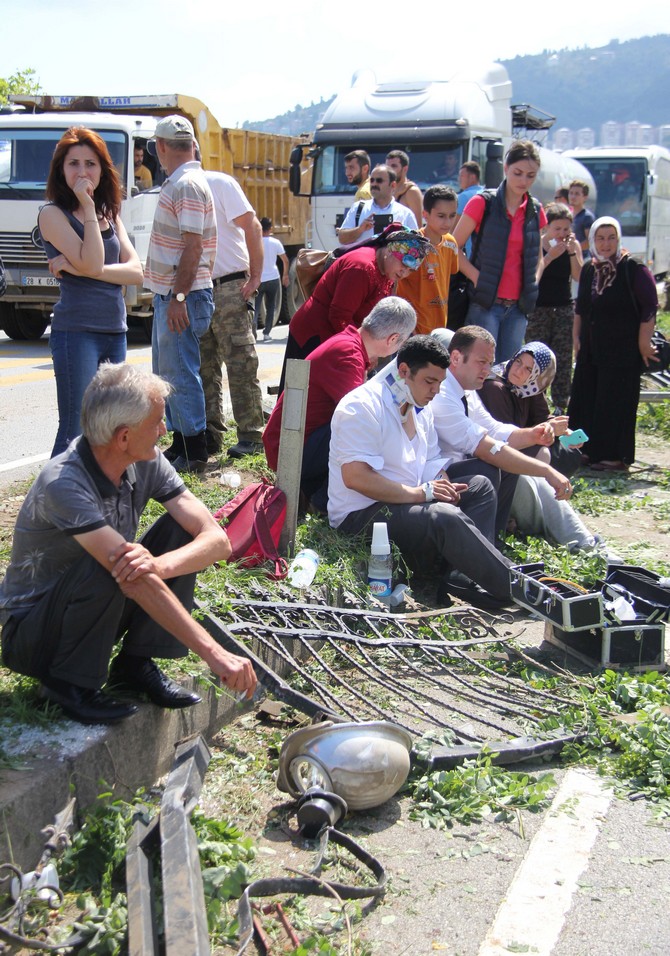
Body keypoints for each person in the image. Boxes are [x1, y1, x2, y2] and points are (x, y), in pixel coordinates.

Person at [0, 364, 256, 725]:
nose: (164, 430)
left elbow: (216, 540)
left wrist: (161, 565)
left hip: (91, 609)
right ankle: (64, 684)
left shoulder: (145, 459)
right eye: (157, 422)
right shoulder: (65, 483)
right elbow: (131, 576)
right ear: (123, 437)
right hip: (35, 635)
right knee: (117, 562)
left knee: (179, 534)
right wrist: (216, 654)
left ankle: (134, 664)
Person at [328, 335, 513, 610]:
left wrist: (442, 484)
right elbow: (356, 477)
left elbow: (431, 459)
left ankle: (463, 578)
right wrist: (422, 494)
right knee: (444, 516)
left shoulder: (419, 402)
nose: (436, 390)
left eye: (440, 382)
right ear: (404, 371)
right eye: (430, 381)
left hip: (407, 502)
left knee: (479, 486)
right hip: (361, 516)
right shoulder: (361, 405)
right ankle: (515, 587)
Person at [38, 126, 143, 458]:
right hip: (76, 332)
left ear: (102, 169)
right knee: (76, 429)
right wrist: (85, 204)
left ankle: (100, 490)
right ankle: (54, 491)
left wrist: (79, 268)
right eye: (73, 164)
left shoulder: (110, 214)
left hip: (115, 330)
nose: (82, 172)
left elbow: (136, 272)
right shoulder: (52, 214)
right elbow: (95, 260)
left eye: (90, 164)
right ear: (61, 169)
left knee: (110, 427)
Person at [264, 297, 416, 511]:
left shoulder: (350, 343)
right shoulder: (349, 355)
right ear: (393, 339)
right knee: (366, 430)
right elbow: (362, 418)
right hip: (289, 450)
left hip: (298, 441)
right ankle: (321, 500)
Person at [430, 326, 573, 539]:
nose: (487, 370)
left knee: (507, 460)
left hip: (456, 467)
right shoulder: (443, 393)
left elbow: (494, 429)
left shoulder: (466, 387)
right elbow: (486, 448)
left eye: (490, 363)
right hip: (433, 477)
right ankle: (479, 543)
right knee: (493, 464)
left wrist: (533, 435)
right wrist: (546, 471)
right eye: (481, 362)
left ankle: (493, 539)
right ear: (456, 358)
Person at [145, 115, 217, 474]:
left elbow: (193, 246)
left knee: (181, 374)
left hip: (182, 294)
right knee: (170, 372)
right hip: (176, 293)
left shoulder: (186, 184)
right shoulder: (185, 181)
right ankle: (182, 443)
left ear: (160, 146)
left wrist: (178, 298)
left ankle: (194, 449)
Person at [479, 342, 603, 551]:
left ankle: (576, 535)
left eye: (528, 368)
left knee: (568, 454)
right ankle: (577, 539)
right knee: (542, 456)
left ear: (539, 375)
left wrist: (563, 432)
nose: (518, 370)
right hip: (499, 456)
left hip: (517, 450)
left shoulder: (531, 388)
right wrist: (545, 432)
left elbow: (542, 418)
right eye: (518, 362)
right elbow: (505, 436)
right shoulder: (495, 387)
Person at [280, 228, 432, 387]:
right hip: (313, 335)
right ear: (389, 251)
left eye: (410, 270)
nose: (404, 272)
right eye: (404, 264)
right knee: (298, 393)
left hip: (339, 338)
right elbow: (339, 316)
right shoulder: (361, 267)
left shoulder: (387, 271)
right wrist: (362, 351)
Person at [568, 217, 658, 471]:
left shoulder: (633, 268)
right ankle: (581, 450)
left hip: (622, 351)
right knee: (585, 399)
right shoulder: (590, 268)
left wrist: (644, 342)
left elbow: (650, 305)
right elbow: (581, 308)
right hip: (591, 349)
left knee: (614, 402)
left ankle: (614, 457)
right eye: (600, 238)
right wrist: (576, 338)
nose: (605, 244)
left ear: (619, 239)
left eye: (611, 238)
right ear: (593, 240)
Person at [453, 140, 547, 364]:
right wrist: (477, 277)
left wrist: (533, 281)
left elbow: (539, 258)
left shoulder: (536, 209)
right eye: (518, 173)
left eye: (531, 175)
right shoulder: (482, 203)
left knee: (509, 372)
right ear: (506, 168)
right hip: (486, 303)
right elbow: (452, 247)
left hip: (518, 307)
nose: (524, 181)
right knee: (481, 369)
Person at [199, 167, 265, 459]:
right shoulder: (176, 187)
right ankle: (211, 435)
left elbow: (253, 226)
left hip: (229, 285)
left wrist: (256, 276)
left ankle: (251, 435)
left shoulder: (219, 182)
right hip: (198, 288)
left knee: (240, 363)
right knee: (204, 366)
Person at [525, 203, 583, 412]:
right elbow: (532, 276)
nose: (561, 233)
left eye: (566, 229)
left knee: (563, 359)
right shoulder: (537, 245)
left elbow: (578, 276)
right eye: (557, 229)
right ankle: (534, 402)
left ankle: (560, 405)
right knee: (536, 357)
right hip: (538, 309)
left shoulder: (572, 245)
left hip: (563, 308)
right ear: (546, 227)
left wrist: (571, 253)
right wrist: (549, 256)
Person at [396, 185, 459, 334]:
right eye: (441, 216)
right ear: (425, 214)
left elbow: (450, 273)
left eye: (452, 216)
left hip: (439, 327)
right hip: (411, 329)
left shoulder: (451, 243)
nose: (447, 222)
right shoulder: (412, 244)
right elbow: (395, 282)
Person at [337, 165, 418, 247]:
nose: (374, 184)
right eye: (372, 180)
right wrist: (360, 229)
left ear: (393, 185)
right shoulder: (358, 208)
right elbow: (342, 239)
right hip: (363, 255)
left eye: (379, 181)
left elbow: (416, 245)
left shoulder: (405, 214)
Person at [255, 217, 289, 342]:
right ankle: (267, 333)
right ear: (270, 228)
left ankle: (253, 332)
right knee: (271, 306)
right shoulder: (276, 242)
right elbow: (285, 260)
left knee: (256, 307)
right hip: (274, 278)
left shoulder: (255, 242)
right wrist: (285, 275)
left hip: (259, 279)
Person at [385, 150, 423, 227]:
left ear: (405, 169)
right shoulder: (387, 190)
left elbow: (418, 227)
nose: (389, 170)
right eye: (387, 167)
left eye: (394, 166)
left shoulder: (411, 192)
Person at [456, 161, 484, 257]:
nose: (459, 179)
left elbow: (454, 229)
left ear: (472, 177)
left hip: (471, 254)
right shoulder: (488, 194)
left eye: (462, 176)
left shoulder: (464, 197)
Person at [568, 180, 595, 259]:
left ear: (585, 197)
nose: (573, 197)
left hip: (583, 258)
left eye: (577, 194)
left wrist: (574, 248)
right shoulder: (567, 216)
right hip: (569, 258)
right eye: (571, 193)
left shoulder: (587, 217)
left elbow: (590, 241)